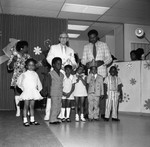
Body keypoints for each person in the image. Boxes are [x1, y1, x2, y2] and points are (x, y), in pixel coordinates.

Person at [81, 29, 112, 119]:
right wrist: (86, 64)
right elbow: (83, 60)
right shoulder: (86, 47)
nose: (92, 39)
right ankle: (88, 112)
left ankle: (102, 113)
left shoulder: (104, 45)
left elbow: (109, 58)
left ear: (97, 37)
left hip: (101, 72)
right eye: (90, 38)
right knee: (89, 93)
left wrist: (102, 62)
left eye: (94, 37)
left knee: (101, 94)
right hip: (90, 74)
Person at [7, 40, 31, 117]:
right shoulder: (14, 55)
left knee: (27, 93)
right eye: (26, 47)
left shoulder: (28, 56)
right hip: (17, 76)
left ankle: (26, 109)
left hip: (26, 77)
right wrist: (13, 61)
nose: (27, 48)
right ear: (21, 48)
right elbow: (9, 67)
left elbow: (31, 65)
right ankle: (18, 110)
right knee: (17, 93)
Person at [17, 58, 43, 126]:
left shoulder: (35, 74)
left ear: (35, 66)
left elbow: (38, 82)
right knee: (26, 106)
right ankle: (25, 120)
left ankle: (32, 120)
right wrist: (24, 89)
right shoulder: (24, 74)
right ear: (26, 66)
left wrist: (39, 90)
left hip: (33, 92)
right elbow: (19, 82)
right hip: (27, 92)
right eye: (29, 65)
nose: (31, 66)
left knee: (32, 106)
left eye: (33, 65)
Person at [49, 57, 64, 124]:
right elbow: (48, 84)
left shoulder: (62, 75)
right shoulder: (50, 74)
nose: (59, 65)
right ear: (53, 65)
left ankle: (55, 117)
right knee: (54, 105)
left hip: (60, 92)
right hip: (54, 92)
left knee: (59, 105)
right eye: (58, 64)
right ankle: (52, 119)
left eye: (60, 64)